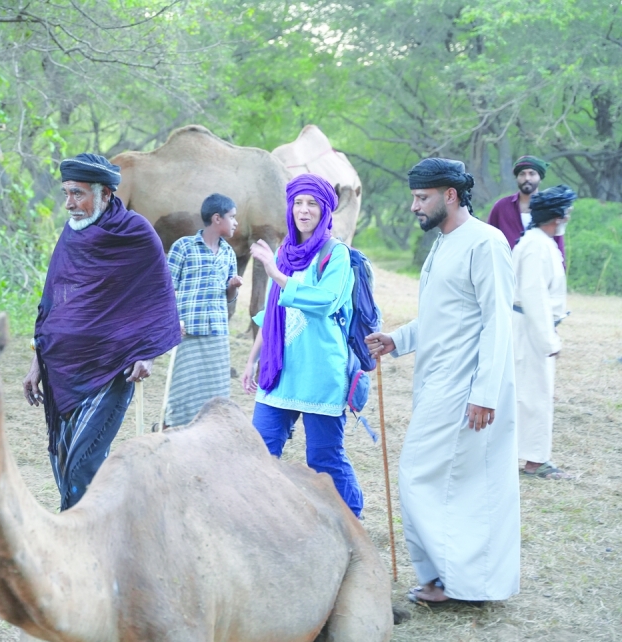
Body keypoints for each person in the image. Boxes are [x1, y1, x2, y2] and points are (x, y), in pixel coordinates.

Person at [365, 158, 519, 606]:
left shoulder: (486, 243)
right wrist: (397, 339)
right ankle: (444, 580)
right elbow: (442, 317)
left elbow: (497, 324)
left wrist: (485, 393)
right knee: (446, 481)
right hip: (436, 381)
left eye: (422, 197)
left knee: (420, 474)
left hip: (467, 388)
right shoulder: (444, 242)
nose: (414, 206)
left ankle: (454, 581)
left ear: (450, 195)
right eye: (414, 197)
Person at [23, 153, 181, 511]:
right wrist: (37, 361)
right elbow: (52, 302)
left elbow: (157, 298)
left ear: (106, 194)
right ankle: (87, 539)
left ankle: (80, 546)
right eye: (66, 193)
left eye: (78, 194)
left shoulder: (136, 233)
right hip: (61, 370)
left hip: (111, 369)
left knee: (84, 466)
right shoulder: (71, 234)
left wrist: (148, 353)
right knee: (63, 463)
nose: (69, 204)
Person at [241, 173, 364, 519]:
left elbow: (325, 301)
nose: (304, 210)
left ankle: (352, 520)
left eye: (312, 203)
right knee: (260, 450)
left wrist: (275, 272)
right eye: (298, 202)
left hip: (320, 372)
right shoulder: (285, 251)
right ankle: (261, 519)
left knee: (324, 457)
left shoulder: (337, 254)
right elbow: (274, 312)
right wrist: (253, 359)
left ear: (325, 209)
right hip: (279, 371)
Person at [513, 184, 576, 480]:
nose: (569, 216)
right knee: (535, 395)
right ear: (557, 215)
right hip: (529, 329)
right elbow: (533, 296)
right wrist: (548, 339)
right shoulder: (536, 246)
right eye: (567, 211)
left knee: (532, 394)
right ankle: (536, 461)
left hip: (531, 328)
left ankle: (532, 456)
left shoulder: (540, 242)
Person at [164, 194, 243, 428]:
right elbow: (167, 288)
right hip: (187, 331)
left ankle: (207, 436)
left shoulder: (229, 253)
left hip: (217, 333)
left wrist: (232, 287)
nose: (236, 222)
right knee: (181, 392)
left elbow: (229, 298)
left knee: (215, 394)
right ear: (217, 218)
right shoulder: (184, 247)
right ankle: (170, 430)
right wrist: (173, 320)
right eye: (232, 217)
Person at [487, 155, 565, 259]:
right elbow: (489, 241)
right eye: (522, 174)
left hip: (541, 270)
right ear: (517, 178)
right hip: (507, 270)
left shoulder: (551, 208)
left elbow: (558, 244)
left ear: (540, 178)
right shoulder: (501, 207)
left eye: (532, 173)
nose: (527, 178)